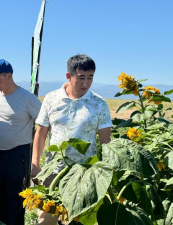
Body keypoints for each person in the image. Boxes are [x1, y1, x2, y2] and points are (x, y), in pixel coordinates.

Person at [31, 54, 112, 225]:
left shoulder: (99, 104)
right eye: (81, 77)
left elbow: (106, 143)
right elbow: (41, 132)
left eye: (90, 78)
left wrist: (105, 172)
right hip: (54, 171)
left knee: (77, 220)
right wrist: (35, 163)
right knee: (46, 220)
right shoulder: (52, 98)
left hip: (84, 174)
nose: (85, 83)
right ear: (69, 76)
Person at [0, 59, 42, 225]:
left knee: (15, 202)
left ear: (9, 76)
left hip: (18, 155)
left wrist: (31, 140)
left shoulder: (26, 98)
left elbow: (44, 123)